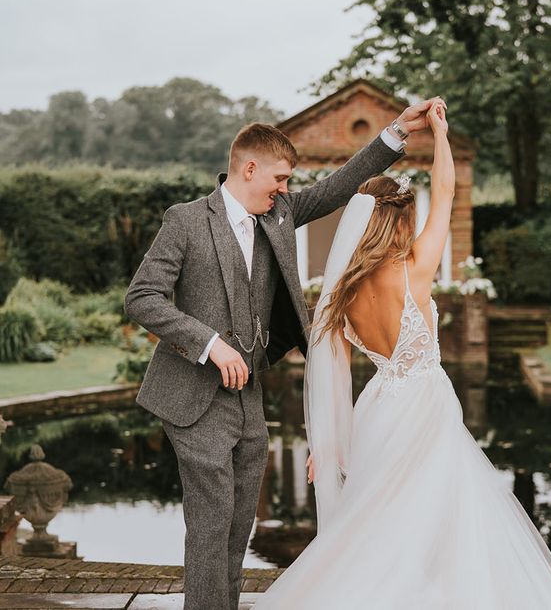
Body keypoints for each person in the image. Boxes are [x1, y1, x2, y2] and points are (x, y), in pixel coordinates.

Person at [253, 102, 551, 609]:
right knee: (440, 504)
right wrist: (441, 134)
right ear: (402, 220)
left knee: (382, 511)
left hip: (378, 409)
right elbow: (446, 189)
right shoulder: (416, 268)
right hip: (426, 403)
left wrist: (325, 442)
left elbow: (332, 374)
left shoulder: (339, 297)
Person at [124, 97, 445, 610]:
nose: (284, 189)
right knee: (210, 523)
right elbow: (141, 297)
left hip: (248, 396)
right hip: (191, 395)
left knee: (238, 525)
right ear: (248, 168)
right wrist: (210, 344)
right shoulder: (185, 221)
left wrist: (395, 133)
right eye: (278, 178)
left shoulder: (279, 215)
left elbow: (340, 186)